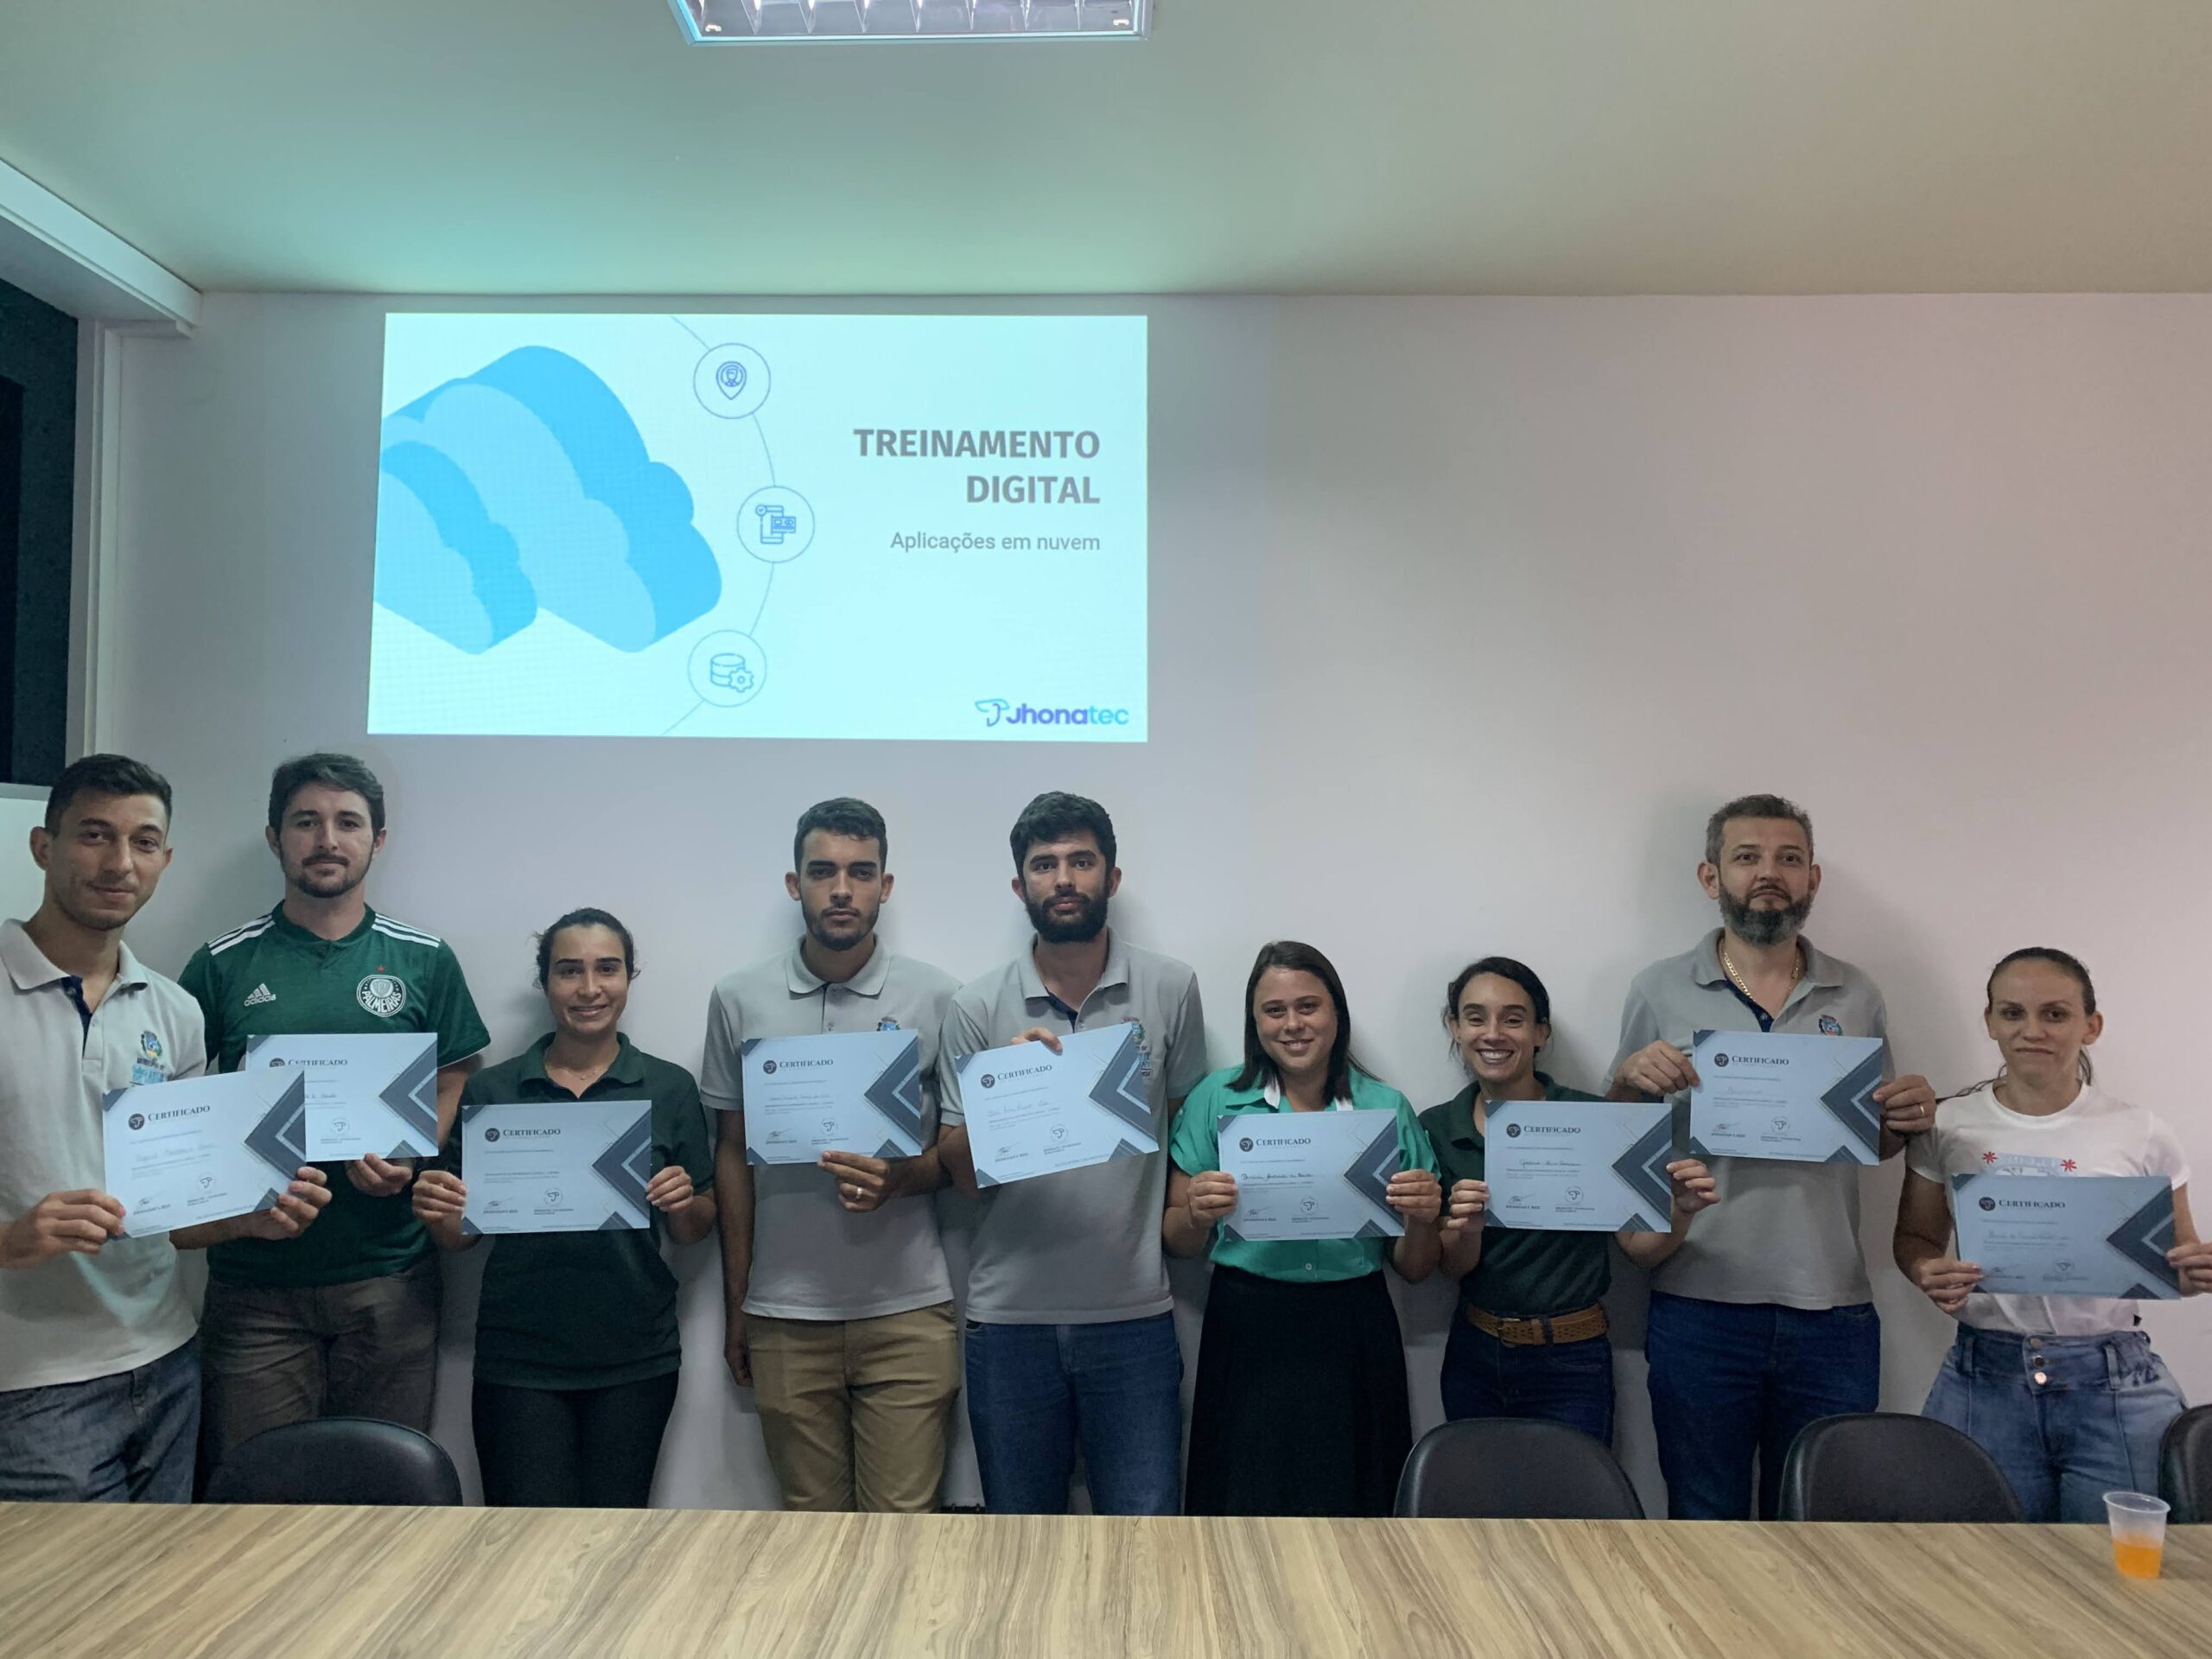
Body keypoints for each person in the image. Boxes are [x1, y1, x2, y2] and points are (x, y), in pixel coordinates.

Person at [1, 755, 329, 1502]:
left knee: (162, 1579)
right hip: (30, 1383)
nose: (120, 862)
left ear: (165, 860)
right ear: (44, 846)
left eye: (143, 842)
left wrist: (246, 1218)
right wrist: (9, 1240)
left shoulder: (175, 1010)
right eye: (95, 835)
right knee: (64, 1586)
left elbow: (172, 1217)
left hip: (168, 1363)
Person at [1607, 792, 1938, 1519]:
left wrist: (1906, 1120)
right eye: (1747, 857)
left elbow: (1873, 1140)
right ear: (1710, 876)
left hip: (1832, 1307)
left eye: (1789, 859)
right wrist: (1627, 1081)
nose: (1769, 873)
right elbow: (1621, 1144)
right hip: (1700, 1302)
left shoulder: (1857, 993)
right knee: (1706, 1523)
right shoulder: (1657, 989)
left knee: (1821, 1525)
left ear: (1812, 879)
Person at [180, 753, 489, 1464]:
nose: (327, 840)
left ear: (377, 840)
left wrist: (411, 1151)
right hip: (256, 1285)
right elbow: (182, 1106)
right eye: (305, 822)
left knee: (380, 1499)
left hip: (389, 1276)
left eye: (348, 823)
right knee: (257, 1498)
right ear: (274, 838)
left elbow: (455, 1075)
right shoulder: (221, 963)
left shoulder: (424, 958)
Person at [937, 791, 1208, 1516]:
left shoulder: (1172, 987)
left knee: (1146, 1541)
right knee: (1021, 1547)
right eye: (1045, 864)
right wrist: (1007, 1087)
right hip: (1009, 1323)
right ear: (1019, 885)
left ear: (1112, 877)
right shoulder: (975, 1006)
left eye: (1081, 861)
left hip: (1135, 1315)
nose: (1063, 878)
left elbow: (1187, 1134)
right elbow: (960, 1175)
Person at [702, 798, 962, 1513]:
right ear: (795, 884)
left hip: (909, 1312)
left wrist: (899, 1180)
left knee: (904, 1534)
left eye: (860, 873)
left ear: (886, 885)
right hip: (784, 1314)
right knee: (810, 1539)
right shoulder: (738, 997)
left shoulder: (941, 996)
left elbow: (960, 1158)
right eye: (822, 872)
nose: (841, 890)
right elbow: (732, 1156)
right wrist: (737, 1304)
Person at [1895, 948, 2210, 1522]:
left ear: (2092, 1026)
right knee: (1979, 1563)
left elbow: (2179, 1271)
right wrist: (1925, 1272)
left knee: (2119, 1565)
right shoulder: (1948, 1124)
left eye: (2055, 1014)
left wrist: (2199, 1273)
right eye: (2012, 1013)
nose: (2032, 1030)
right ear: (1990, 1022)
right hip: (1984, 1379)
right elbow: (1914, 1238)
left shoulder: (2140, 1132)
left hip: (2115, 1385)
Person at [412, 909, 714, 1507]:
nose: (589, 988)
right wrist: (440, 1210)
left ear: (629, 977)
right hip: (517, 1356)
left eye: (607, 969)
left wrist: (683, 1200)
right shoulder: (493, 1090)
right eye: (569, 970)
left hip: (636, 1354)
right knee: (520, 1540)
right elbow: (459, 1238)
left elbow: (695, 1228)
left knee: (618, 1535)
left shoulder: (669, 1086)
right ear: (545, 981)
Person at [1165, 941, 1440, 1516]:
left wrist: (1420, 1217)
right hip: (1249, 1320)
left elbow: (1415, 1269)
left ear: (1337, 1013)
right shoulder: (1217, 1099)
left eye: (1308, 1006)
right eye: (1274, 1010)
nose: (1292, 1024)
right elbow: (1178, 1243)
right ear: (1255, 1021)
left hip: (1355, 1322)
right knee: (1244, 1496)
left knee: (1358, 1499)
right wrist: (1196, 1212)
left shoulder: (1385, 1108)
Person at [1423, 957, 1717, 1445]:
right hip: (1476, 1351)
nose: (1492, 1033)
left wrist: (1680, 1212)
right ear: (1455, 1027)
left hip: (1573, 1357)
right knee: (1474, 1491)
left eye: (1513, 1019)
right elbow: (1451, 1267)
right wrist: (1466, 1229)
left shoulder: (1595, 1118)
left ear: (1540, 1032)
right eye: (1475, 1018)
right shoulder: (1435, 1126)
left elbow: (1639, 1250)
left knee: (1577, 1494)